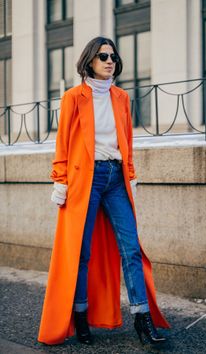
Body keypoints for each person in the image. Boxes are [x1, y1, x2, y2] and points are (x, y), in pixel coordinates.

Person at [38, 36, 170, 346]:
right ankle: (81, 317)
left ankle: (142, 318)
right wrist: (59, 179)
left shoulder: (122, 98)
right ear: (89, 61)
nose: (109, 60)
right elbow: (63, 144)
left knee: (131, 249)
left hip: (115, 178)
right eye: (102, 56)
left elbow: (127, 142)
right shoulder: (73, 97)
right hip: (85, 179)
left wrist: (131, 175)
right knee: (81, 253)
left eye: (112, 56)